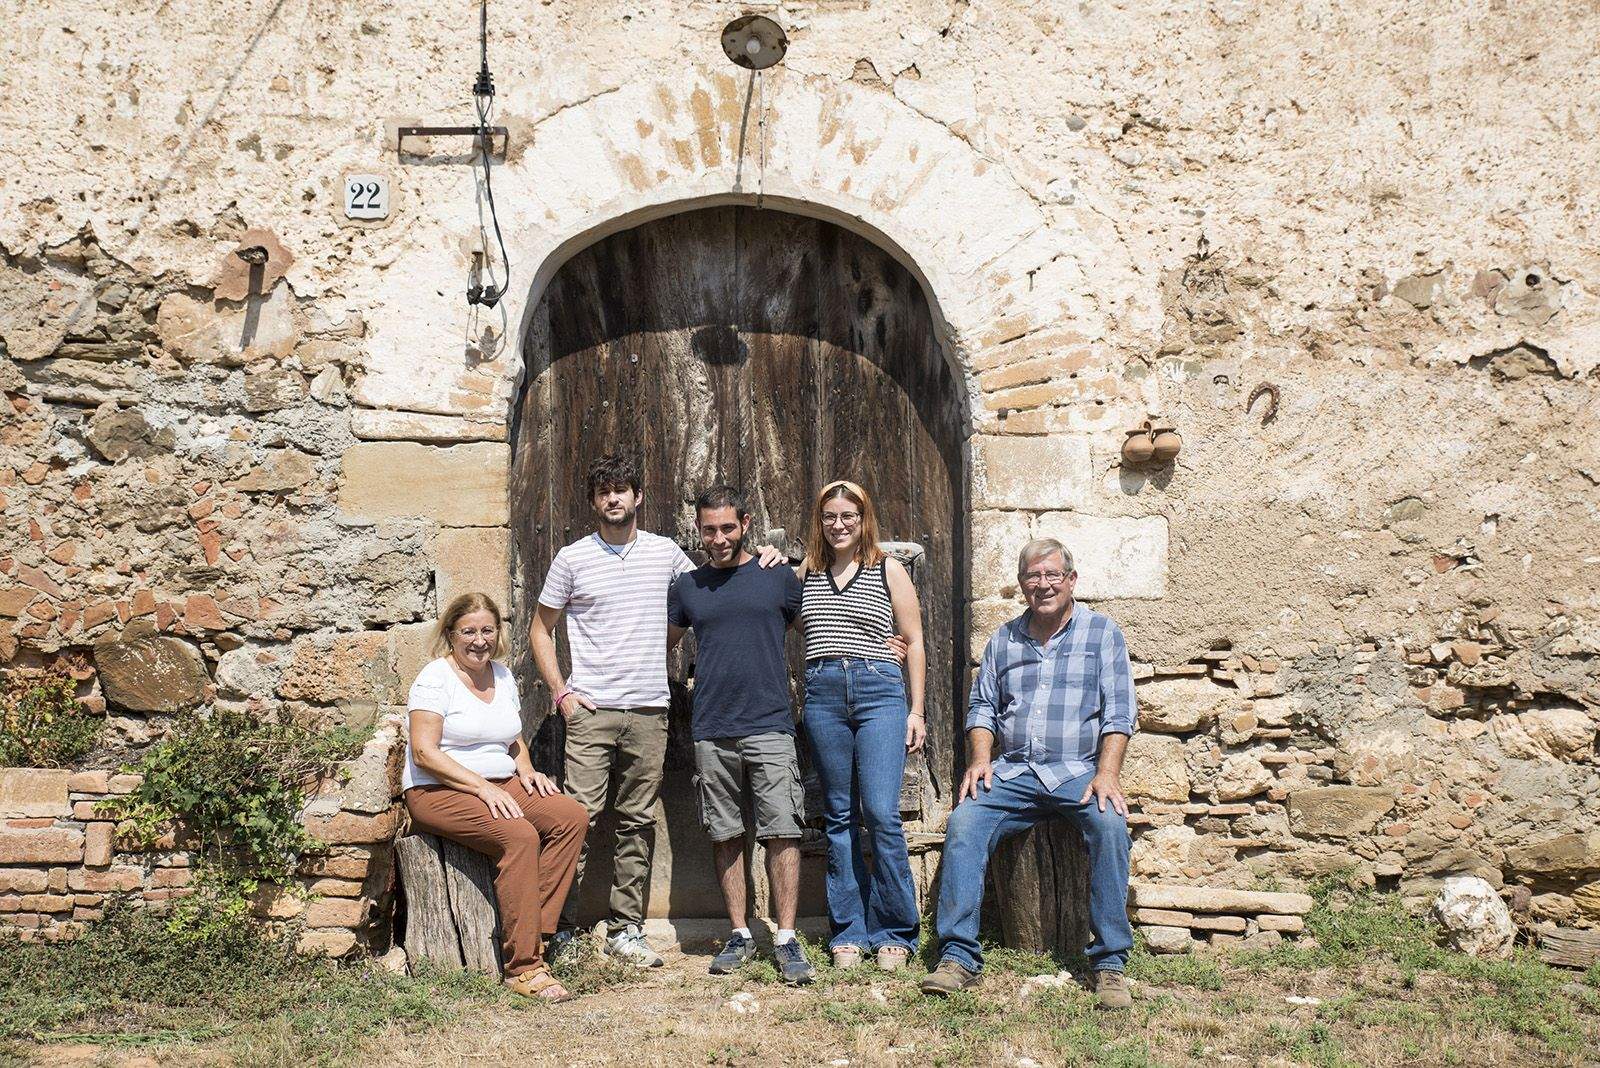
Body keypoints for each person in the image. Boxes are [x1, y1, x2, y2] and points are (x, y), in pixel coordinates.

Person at [530, 453, 782, 967]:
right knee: (576, 820)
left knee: (636, 822)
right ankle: (562, 932)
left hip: (650, 710)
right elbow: (540, 628)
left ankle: (626, 931)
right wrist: (562, 695)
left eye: (622, 489)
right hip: (591, 711)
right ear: (594, 501)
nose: (614, 499)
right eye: (604, 492)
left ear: (638, 497)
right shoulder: (571, 558)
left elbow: (720, 582)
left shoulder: (665, 553)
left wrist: (765, 558)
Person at [920, 538, 1138, 1011]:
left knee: (1110, 827)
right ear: (1021, 585)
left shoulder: (1102, 634)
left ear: (1071, 581)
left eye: (1052, 576)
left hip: (1078, 771)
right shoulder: (1003, 639)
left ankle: (1110, 964)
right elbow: (982, 709)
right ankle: (957, 956)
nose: (1042, 585)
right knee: (964, 824)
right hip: (1015, 771)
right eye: (1033, 577)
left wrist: (1107, 774)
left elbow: (1119, 714)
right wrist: (980, 760)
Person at [403, 592, 588, 1002]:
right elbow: (424, 752)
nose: (479, 640)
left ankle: (533, 931)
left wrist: (527, 770)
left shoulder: (502, 675)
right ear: (450, 634)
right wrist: (482, 787)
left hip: (499, 783)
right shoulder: (435, 678)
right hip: (438, 790)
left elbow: (511, 736)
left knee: (570, 816)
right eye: (468, 631)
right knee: (519, 836)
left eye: (488, 630)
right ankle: (523, 968)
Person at [667, 485, 815, 985]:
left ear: (745, 523)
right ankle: (740, 933)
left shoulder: (777, 578)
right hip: (712, 728)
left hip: (771, 722)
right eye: (709, 529)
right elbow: (663, 648)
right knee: (726, 833)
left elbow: (816, 627)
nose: (719, 537)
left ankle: (788, 938)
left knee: (783, 831)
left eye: (728, 527)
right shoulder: (688, 586)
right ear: (699, 530)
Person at [796, 480, 926, 971]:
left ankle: (895, 928)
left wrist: (917, 711)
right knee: (838, 814)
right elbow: (777, 617)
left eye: (848, 515)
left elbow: (913, 640)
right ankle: (848, 929)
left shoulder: (887, 568)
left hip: (878, 693)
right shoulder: (805, 571)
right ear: (820, 521)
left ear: (863, 517)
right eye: (829, 516)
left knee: (881, 812)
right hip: (824, 693)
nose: (838, 524)